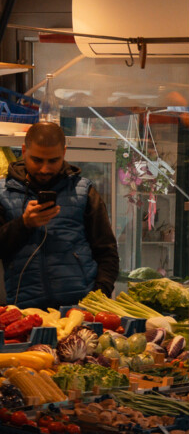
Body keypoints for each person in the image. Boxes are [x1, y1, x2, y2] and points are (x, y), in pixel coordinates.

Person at [0, 122, 118, 308]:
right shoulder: (3, 194)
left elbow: (107, 252)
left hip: (82, 309)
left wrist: (99, 297)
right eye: (37, 160)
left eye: (53, 161)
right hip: (25, 312)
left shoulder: (84, 191)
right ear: (24, 151)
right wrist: (24, 224)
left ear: (64, 153)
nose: (45, 169)